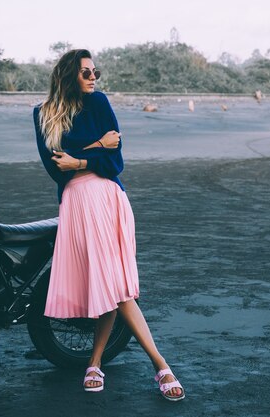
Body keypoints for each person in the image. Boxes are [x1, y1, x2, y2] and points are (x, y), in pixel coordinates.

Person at [33, 49, 185, 401]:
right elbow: (55, 165)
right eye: (86, 72)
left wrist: (83, 157)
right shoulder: (42, 114)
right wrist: (97, 145)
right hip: (77, 202)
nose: (93, 77)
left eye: (95, 72)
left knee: (114, 285)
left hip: (109, 197)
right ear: (69, 74)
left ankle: (141, 364)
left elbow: (115, 161)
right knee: (108, 285)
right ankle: (139, 365)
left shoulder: (99, 102)